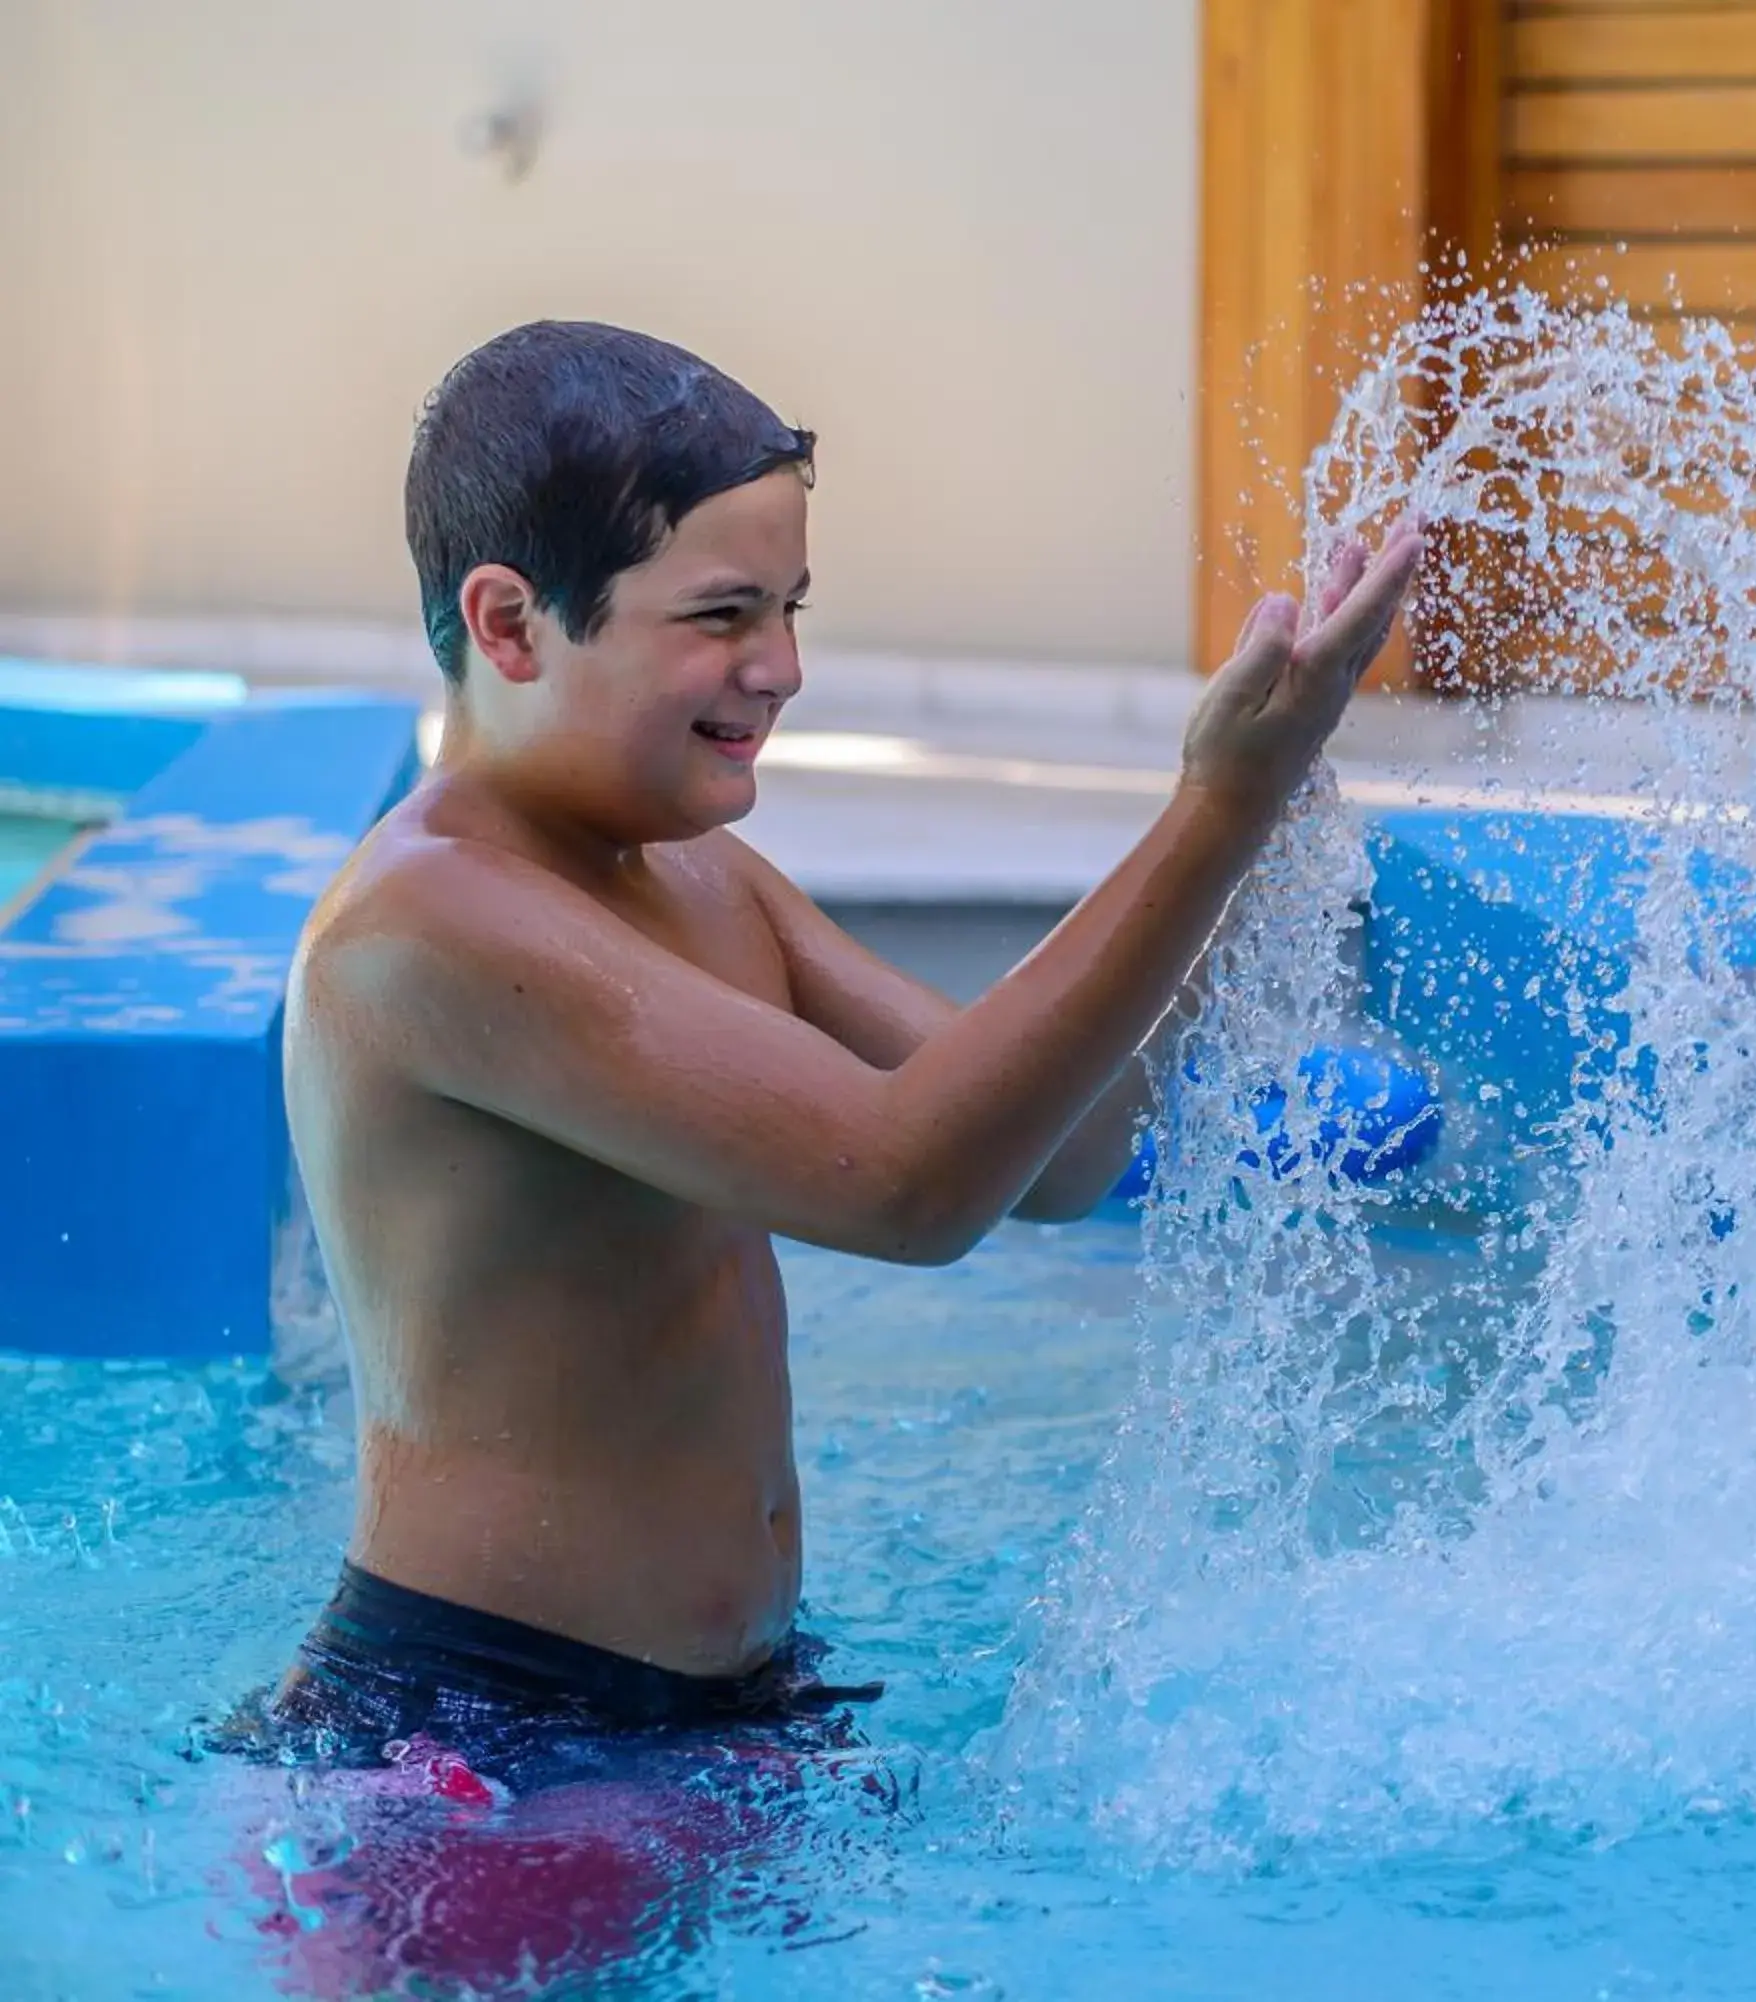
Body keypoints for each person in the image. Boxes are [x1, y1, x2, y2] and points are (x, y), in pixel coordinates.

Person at [244, 319, 1424, 1782]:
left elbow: (1053, 1158)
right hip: (477, 1742)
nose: (783, 664)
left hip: (726, 1711)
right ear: (509, 623)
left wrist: (1237, 856)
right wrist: (1209, 812)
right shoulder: (429, 922)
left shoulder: (694, 876)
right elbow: (909, 1189)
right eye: (723, 613)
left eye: (792, 605)